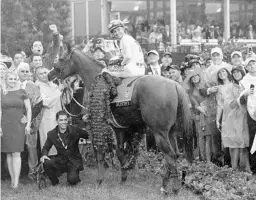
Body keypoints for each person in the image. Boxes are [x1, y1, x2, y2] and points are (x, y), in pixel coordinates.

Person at [40, 111, 89, 186]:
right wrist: (44, 155)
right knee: (46, 163)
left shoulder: (75, 130)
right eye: (61, 120)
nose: (64, 122)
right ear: (57, 121)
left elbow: (87, 135)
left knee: (72, 180)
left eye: (65, 120)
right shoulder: (52, 134)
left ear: (67, 120)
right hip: (61, 160)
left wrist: (85, 124)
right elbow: (46, 148)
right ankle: (54, 182)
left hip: (73, 161)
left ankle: (75, 176)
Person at [1, 71, 31, 188]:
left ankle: (16, 182)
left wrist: (28, 124)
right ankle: (12, 179)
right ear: (6, 80)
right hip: (5, 125)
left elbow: (28, 109)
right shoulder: (2, 92)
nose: (13, 81)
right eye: (10, 79)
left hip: (19, 125)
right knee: (9, 153)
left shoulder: (22, 92)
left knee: (16, 152)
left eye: (14, 79)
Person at [17, 62, 43, 178]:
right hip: (15, 121)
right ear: (18, 72)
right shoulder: (13, 84)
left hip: (30, 122)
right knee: (16, 147)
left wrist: (28, 118)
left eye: (27, 71)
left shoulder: (33, 86)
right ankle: (17, 171)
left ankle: (33, 172)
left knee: (31, 148)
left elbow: (38, 104)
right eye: (22, 71)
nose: (25, 73)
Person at [183, 69, 211, 163]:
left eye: (196, 76)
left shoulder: (205, 86)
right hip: (199, 114)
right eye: (192, 77)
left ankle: (209, 158)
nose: (195, 78)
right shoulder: (190, 91)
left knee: (209, 136)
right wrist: (202, 111)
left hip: (209, 113)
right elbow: (195, 104)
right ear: (191, 80)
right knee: (201, 136)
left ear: (199, 77)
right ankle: (202, 157)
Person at [35, 66, 63, 155]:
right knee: (49, 142)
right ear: (37, 76)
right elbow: (46, 102)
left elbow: (65, 101)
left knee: (61, 141)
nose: (44, 75)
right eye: (41, 73)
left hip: (59, 117)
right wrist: (59, 90)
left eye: (45, 72)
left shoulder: (54, 85)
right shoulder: (37, 87)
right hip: (47, 119)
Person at [238, 57, 256, 173]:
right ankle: (254, 167)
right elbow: (241, 101)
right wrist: (245, 94)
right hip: (252, 114)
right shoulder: (244, 81)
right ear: (246, 67)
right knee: (253, 137)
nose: (252, 66)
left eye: (254, 63)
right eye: (249, 65)